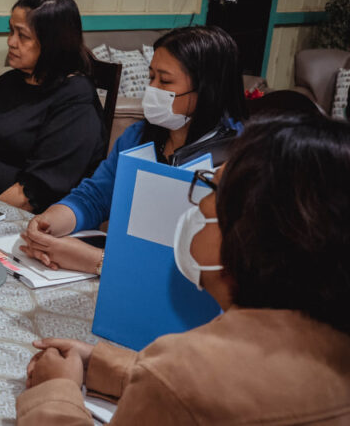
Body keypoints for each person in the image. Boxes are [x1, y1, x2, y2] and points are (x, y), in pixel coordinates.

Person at [17, 113, 350, 424]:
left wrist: (56, 390)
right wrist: (109, 366)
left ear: (256, 233)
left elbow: (185, 385)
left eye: (213, 188)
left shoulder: (182, 371)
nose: (200, 203)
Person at [21, 25, 247, 273]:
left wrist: (98, 260)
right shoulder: (137, 137)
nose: (153, 89)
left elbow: (215, 265)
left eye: (165, 81)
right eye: (151, 77)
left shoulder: (235, 159)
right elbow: (95, 196)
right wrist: (49, 222)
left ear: (208, 89)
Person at [0, 0, 106, 212]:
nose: (11, 42)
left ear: (53, 43)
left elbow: (37, 191)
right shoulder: (8, 82)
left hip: (15, 215)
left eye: (23, 36)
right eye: (11, 31)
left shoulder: (75, 100)